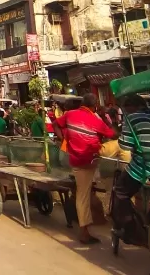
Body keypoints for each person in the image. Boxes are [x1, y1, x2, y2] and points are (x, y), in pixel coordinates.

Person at [54, 93, 117, 244]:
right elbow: (113, 134)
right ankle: (84, 232)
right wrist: (108, 120)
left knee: (84, 193)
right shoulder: (95, 119)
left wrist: (64, 139)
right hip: (89, 160)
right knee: (83, 195)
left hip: (76, 160)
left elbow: (56, 124)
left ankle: (85, 228)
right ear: (94, 106)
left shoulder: (69, 114)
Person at [111, 94, 150, 246]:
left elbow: (124, 145)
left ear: (131, 107)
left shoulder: (131, 119)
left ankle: (131, 231)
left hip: (145, 170)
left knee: (120, 191)